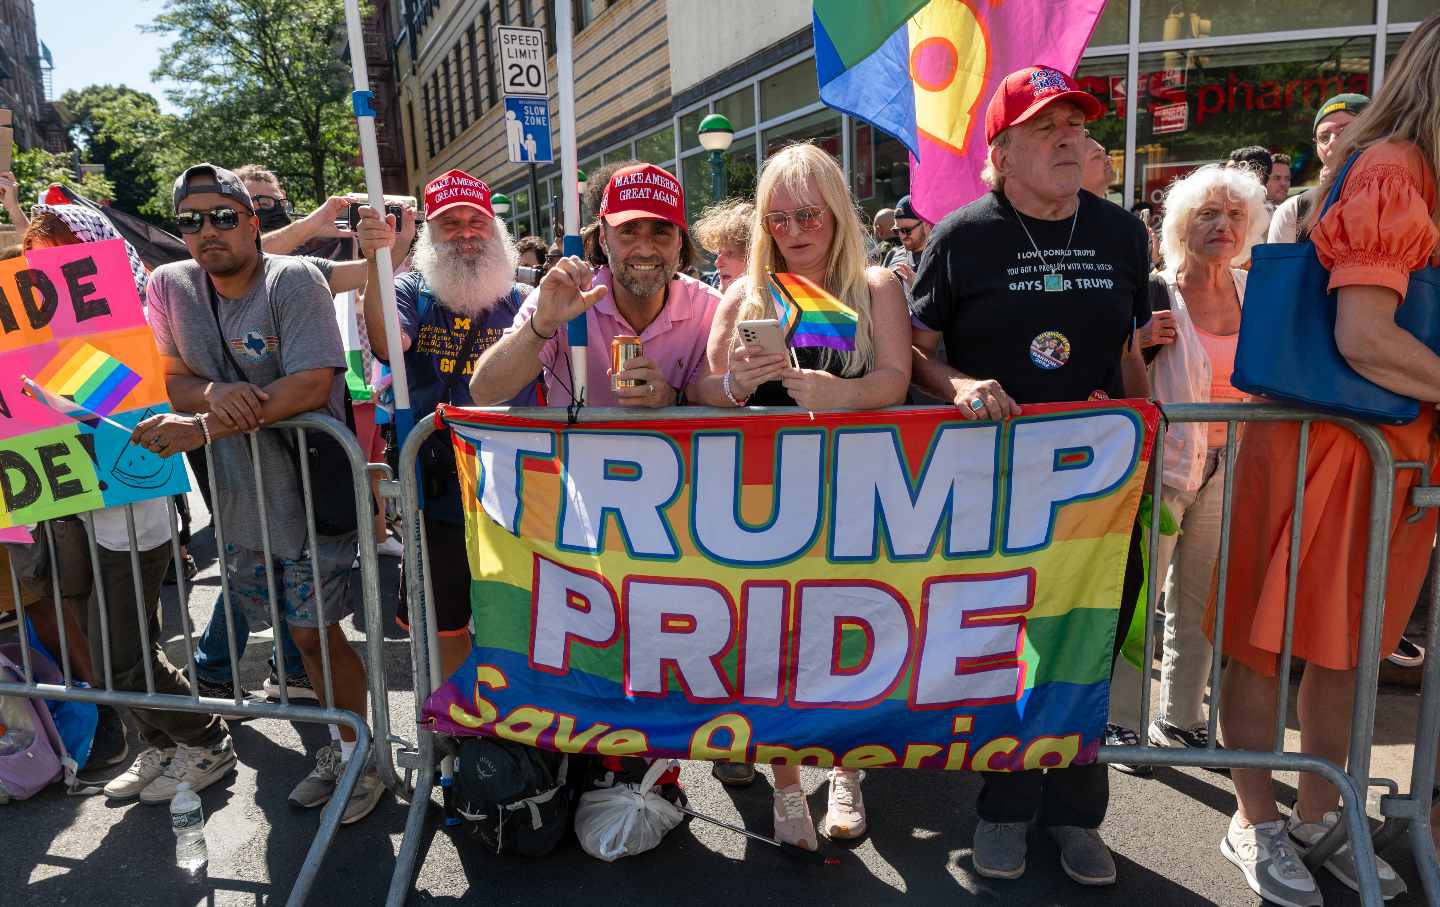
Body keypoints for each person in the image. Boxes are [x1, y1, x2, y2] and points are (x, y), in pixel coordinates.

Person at [1213, 17, 1440, 903]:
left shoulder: (1403, 166)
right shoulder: (1395, 168)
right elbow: (1366, 335)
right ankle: (1255, 819)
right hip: (1331, 445)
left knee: (1344, 652)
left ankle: (1314, 811)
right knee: (1267, 647)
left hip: (1369, 449)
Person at [910, 65, 1151, 888]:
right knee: (1008, 648)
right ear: (1002, 151)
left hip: (1101, 493)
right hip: (994, 493)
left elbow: (1126, 352)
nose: (1068, 139)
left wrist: (1145, 437)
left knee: (1087, 651)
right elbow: (911, 349)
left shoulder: (1123, 234)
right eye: (1047, 127)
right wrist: (958, 384)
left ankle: (1079, 815)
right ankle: (1005, 808)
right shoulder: (962, 237)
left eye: (1076, 125)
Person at [135, 162, 386, 824]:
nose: (207, 231)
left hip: (311, 494)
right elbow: (175, 379)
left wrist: (202, 423)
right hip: (240, 504)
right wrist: (213, 394)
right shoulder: (168, 285)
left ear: (251, 221)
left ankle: (360, 753)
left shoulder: (296, 278)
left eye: (223, 216)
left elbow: (308, 384)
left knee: (313, 635)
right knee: (294, 640)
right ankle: (343, 745)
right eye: (191, 220)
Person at [705, 142, 910, 848]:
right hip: (765, 505)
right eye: (780, 217)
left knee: (851, 637)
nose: (795, 229)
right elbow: (704, 391)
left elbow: (894, 378)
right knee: (775, 644)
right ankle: (788, 784)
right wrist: (735, 381)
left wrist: (841, 394)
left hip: (860, 497)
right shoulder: (744, 293)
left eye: (809, 214)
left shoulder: (877, 286)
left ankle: (848, 773)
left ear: (836, 214)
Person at [20, 203, 239, 803]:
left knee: (123, 657)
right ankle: (162, 748)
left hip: (132, 519)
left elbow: (127, 403)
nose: (48, 274)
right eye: (40, 261)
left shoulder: (129, 320)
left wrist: (56, 396)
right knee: (111, 649)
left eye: (62, 258)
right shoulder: (39, 337)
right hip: (78, 513)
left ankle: (207, 742)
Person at [1107, 166, 1267, 766]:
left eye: (1234, 215)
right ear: (1181, 225)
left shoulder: (1254, 292)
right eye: (1207, 214)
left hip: (1232, 465)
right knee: (1140, 596)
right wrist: (1141, 339)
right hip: (1164, 466)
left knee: (1200, 600)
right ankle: (1122, 720)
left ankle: (1180, 714)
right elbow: (1117, 366)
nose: (1222, 226)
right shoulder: (1155, 291)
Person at [356, 168, 539, 680]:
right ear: (428, 236)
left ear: (494, 228)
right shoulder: (409, 289)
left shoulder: (522, 298)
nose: (464, 233)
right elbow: (386, 341)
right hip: (436, 485)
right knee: (445, 618)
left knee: (518, 614)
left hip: (518, 485)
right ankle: (458, 718)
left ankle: (512, 718)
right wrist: (377, 262)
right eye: (449, 224)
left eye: (475, 221)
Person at [470, 162, 722, 410]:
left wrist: (672, 399)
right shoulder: (566, 295)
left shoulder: (710, 309)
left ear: (679, 242)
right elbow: (485, 391)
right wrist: (544, 323)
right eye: (628, 232)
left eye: (661, 232)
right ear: (603, 239)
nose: (645, 249)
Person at [1268, 93, 1370, 244]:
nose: (1333, 142)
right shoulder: (1295, 211)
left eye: (1346, 131)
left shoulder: (1402, 199)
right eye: (1323, 137)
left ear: (1375, 134)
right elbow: (1278, 267)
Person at [692, 197, 753, 291]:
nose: (717, 263)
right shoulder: (714, 284)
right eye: (719, 253)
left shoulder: (779, 301)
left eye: (730, 253)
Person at [885, 194, 930, 286]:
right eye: (897, 231)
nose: (902, 236)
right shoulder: (893, 255)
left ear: (925, 224)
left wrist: (918, 288)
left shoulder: (940, 257)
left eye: (906, 230)